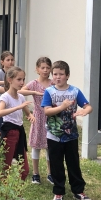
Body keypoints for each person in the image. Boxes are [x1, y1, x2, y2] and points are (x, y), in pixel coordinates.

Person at [41, 60, 93, 200]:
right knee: (56, 164)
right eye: (55, 74)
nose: (57, 77)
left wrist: (84, 111)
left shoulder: (75, 91)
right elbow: (47, 111)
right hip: (54, 136)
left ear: (67, 75)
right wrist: (62, 107)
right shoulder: (49, 91)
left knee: (73, 163)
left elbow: (88, 106)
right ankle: (59, 192)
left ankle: (78, 190)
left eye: (61, 74)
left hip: (71, 135)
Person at [19, 57, 53, 185]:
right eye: (42, 68)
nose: (45, 70)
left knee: (50, 145)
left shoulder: (53, 83)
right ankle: (36, 173)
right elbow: (20, 90)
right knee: (36, 145)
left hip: (51, 117)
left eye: (48, 68)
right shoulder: (34, 83)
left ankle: (51, 173)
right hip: (38, 116)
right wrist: (33, 92)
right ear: (37, 69)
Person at [0, 66, 35, 181]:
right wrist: (18, 107)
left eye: (23, 79)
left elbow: (27, 113)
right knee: (5, 167)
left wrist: (31, 116)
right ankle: (3, 195)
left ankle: (18, 194)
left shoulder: (21, 97)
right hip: (9, 133)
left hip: (20, 132)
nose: (22, 82)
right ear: (10, 80)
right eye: (19, 79)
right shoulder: (5, 97)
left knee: (24, 169)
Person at [0, 51, 15, 135]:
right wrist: (6, 82)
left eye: (12, 60)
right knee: (1, 123)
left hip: (12, 100)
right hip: (2, 101)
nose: (10, 62)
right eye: (8, 60)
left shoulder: (15, 72)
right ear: (2, 62)